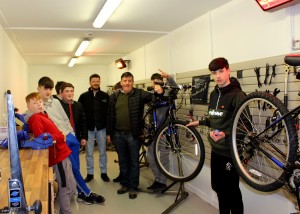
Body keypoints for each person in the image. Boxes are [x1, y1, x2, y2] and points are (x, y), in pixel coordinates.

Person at [28, 76, 105, 205]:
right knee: (73, 168)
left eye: (50, 89)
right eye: (45, 88)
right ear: (38, 89)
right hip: (59, 141)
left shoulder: (56, 102)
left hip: (70, 137)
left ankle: (80, 193)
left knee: (76, 168)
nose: (48, 91)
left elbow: (65, 119)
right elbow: (28, 116)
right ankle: (86, 193)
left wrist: (72, 134)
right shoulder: (38, 107)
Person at [187, 57, 245, 214]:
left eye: (221, 71)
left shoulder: (238, 95)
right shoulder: (214, 94)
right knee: (219, 188)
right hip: (216, 150)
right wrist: (199, 123)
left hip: (230, 153)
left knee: (231, 190)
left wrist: (225, 135)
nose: (218, 76)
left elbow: (246, 129)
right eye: (214, 73)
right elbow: (215, 118)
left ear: (228, 70)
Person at [106, 71, 164, 199]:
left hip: (133, 134)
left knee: (133, 162)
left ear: (133, 82)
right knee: (123, 161)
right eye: (125, 81)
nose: (127, 83)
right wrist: (109, 133)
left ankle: (133, 187)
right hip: (118, 134)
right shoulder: (114, 97)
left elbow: (154, 98)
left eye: (129, 81)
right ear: (121, 82)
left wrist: (160, 91)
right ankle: (125, 184)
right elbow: (109, 116)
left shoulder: (139, 94)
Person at [26, 92, 76, 214]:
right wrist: (60, 137)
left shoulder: (43, 115)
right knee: (65, 187)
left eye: (39, 101)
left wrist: (60, 136)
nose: (39, 104)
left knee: (71, 186)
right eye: (34, 103)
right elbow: (42, 138)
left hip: (62, 153)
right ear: (28, 106)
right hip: (57, 156)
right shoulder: (36, 119)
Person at [146, 69, 178, 191]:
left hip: (166, 132)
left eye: (159, 83)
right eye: (154, 83)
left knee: (164, 158)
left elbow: (176, 87)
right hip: (153, 132)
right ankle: (158, 179)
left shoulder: (169, 94)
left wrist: (169, 77)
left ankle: (162, 182)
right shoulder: (150, 95)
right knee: (151, 156)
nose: (157, 86)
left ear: (163, 83)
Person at [78, 74, 110, 182]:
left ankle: (104, 172)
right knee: (89, 153)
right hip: (88, 129)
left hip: (102, 128)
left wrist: (109, 131)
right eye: (94, 81)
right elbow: (80, 113)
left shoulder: (105, 96)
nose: (96, 83)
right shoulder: (83, 96)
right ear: (90, 82)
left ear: (100, 82)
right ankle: (90, 173)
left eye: (98, 81)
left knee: (102, 152)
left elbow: (109, 114)